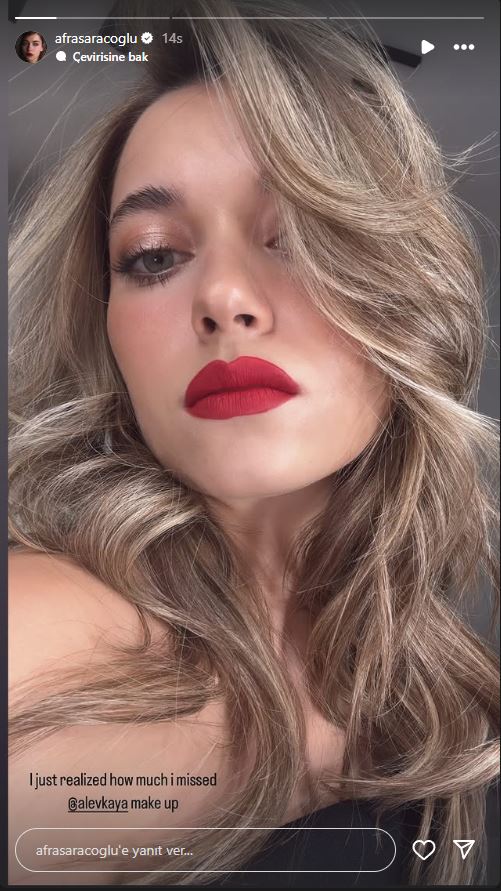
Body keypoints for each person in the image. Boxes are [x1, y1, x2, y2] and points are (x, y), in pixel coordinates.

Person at [8, 0, 499, 886]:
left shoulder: (446, 694)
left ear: (405, 292)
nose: (224, 299)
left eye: (296, 235)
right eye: (154, 255)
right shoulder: (36, 637)